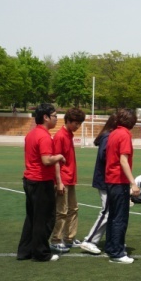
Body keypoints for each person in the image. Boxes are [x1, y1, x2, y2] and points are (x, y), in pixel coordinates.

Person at [16, 103, 65, 262]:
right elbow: (46, 160)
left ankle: (25, 251)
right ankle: (41, 253)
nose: (56, 119)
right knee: (44, 219)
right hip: (40, 182)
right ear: (46, 117)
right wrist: (59, 157)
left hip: (30, 180)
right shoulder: (44, 137)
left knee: (32, 218)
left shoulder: (31, 134)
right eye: (55, 116)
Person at [104, 108, 140, 263]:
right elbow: (123, 160)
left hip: (111, 180)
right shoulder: (124, 135)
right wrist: (133, 183)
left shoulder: (113, 133)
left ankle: (111, 246)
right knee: (120, 217)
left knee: (113, 216)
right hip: (119, 181)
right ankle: (117, 252)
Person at [50, 107, 86, 253]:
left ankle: (69, 238)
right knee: (61, 211)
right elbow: (56, 161)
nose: (78, 126)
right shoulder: (60, 136)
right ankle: (56, 240)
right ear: (68, 121)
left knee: (73, 209)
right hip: (63, 179)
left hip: (70, 178)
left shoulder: (69, 134)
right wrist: (59, 182)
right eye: (76, 123)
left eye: (80, 123)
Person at [80, 115, 116, 255]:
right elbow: (104, 156)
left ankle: (110, 240)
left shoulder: (107, 136)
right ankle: (89, 240)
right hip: (105, 180)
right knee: (106, 212)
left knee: (110, 211)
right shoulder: (107, 137)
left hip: (106, 179)